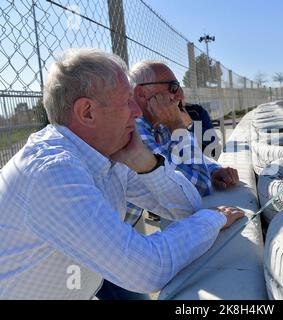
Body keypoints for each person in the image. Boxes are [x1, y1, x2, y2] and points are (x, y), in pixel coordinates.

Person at [0, 48, 244, 300]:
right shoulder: (52, 172)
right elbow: (146, 269)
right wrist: (213, 219)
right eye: (127, 100)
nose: (136, 112)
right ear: (87, 112)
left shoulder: (110, 153)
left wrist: (147, 164)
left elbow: (186, 205)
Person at [124, 61, 240, 225]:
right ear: (142, 93)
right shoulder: (134, 129)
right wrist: (177, 126)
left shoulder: (158, 124)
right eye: (173, 87)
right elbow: (199, 186)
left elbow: (188, 163)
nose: (180, 95)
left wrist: (214, 170)